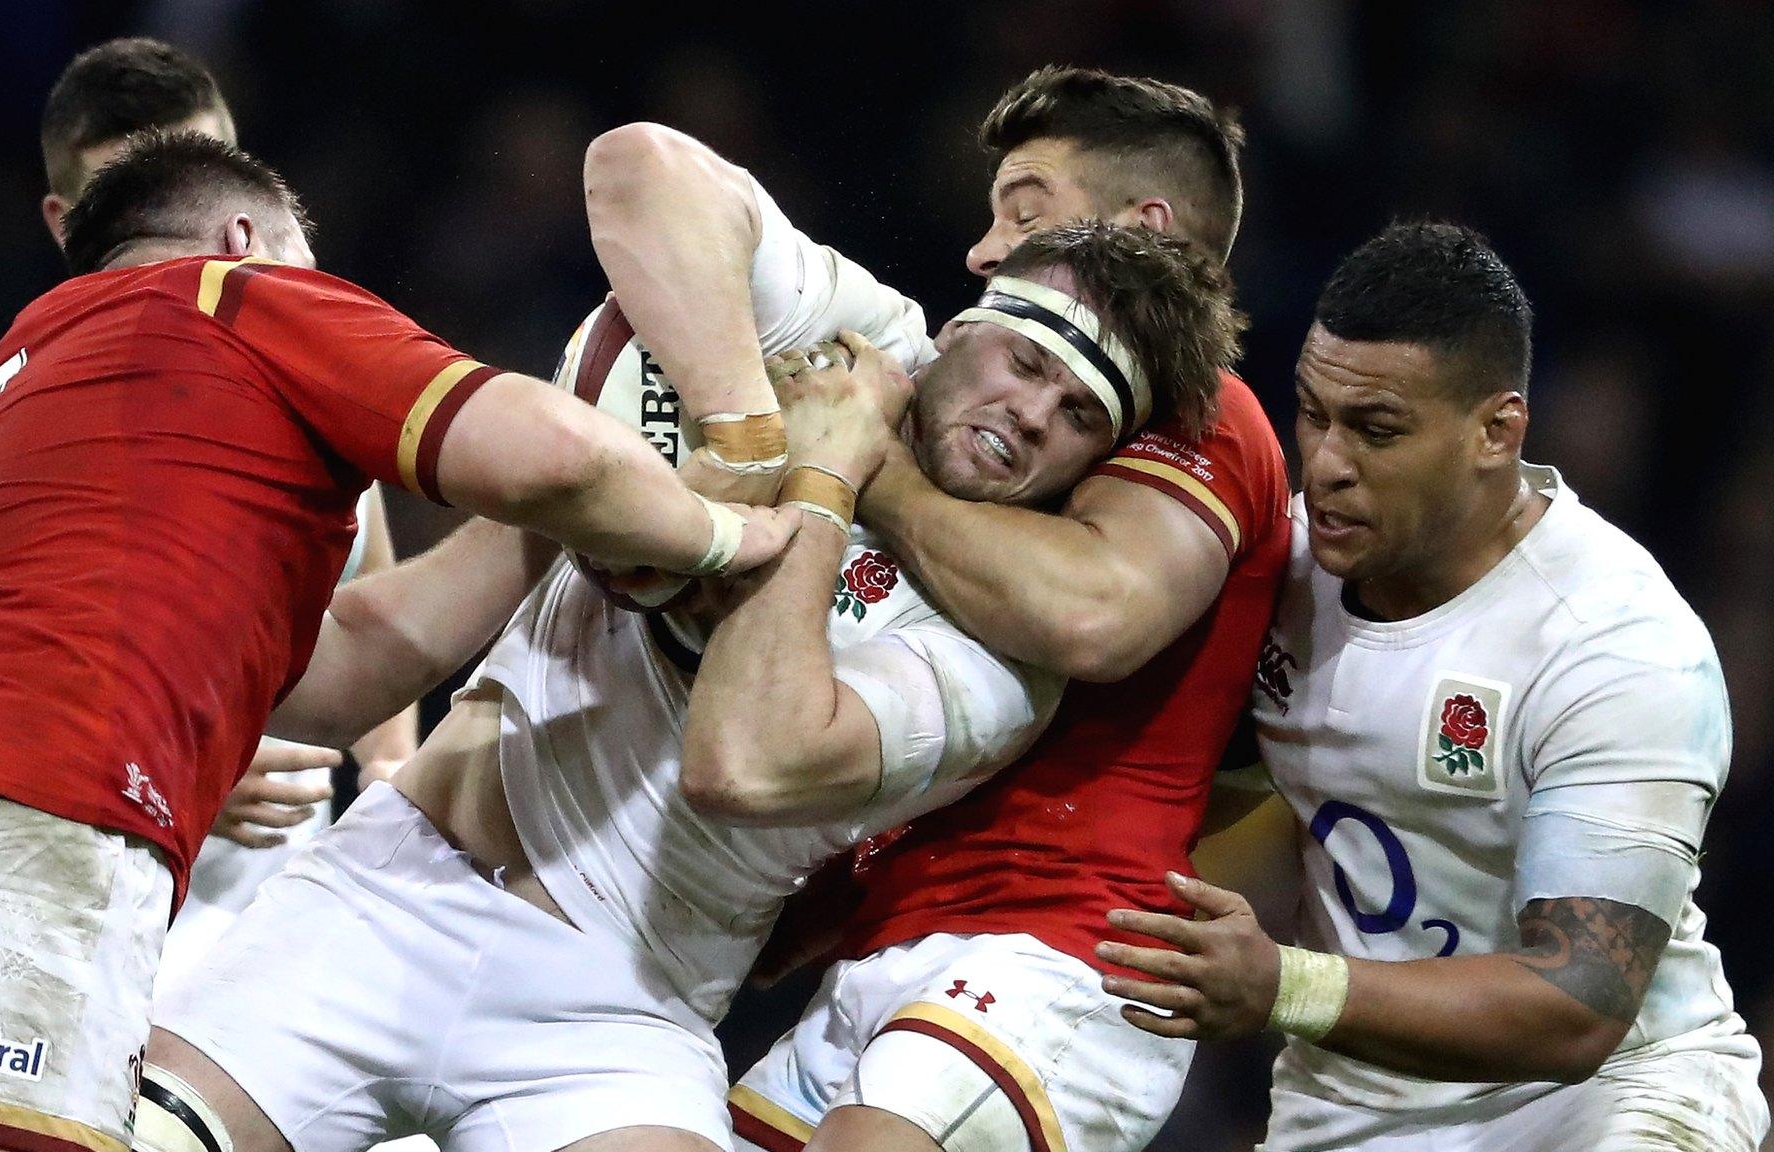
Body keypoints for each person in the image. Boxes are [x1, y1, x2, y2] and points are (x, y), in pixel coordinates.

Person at [130, 156, 1242, 1152]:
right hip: (385, 894)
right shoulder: (869, 338)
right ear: (955, 335)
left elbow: (743, 764)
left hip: (618, 1011)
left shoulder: (1008, 670)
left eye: (1080, 414)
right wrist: (743, 438)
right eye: (1021, 360)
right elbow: (636, 170)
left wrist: (818, 481)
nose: (1031, 411)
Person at [0, 131, 792, 1152]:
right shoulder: (233, 295)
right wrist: (726, 529)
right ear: (247, 238)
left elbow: (331, 679)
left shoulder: (28, 368)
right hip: (18, 818)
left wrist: (555, 530)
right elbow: (555, 456)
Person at [1100, 222, 1769, 1152]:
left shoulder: (1616, 647)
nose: (1327, 462)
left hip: (1607, 1096)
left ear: (1497, 431)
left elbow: (1578, 1006)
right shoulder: (1276, 574)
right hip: (1353, 1100)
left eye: (1377, 430)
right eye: (1312, 414)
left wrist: (1282, 985)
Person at [724, 67, 1291, 1152]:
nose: (985, 250)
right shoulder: (974, 412)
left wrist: (861, 466)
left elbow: (1093, 618)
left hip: (1060, 946)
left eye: (1024, 208)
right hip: (895, 942)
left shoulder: (1202, 416)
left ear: (1143, 227)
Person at [0, 36, 414, 992]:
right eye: (140, 198)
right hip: (78, 935)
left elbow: (372, 596)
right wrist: (172, 759)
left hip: (293, 945)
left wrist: (395, 798)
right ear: (65, 220)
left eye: (201, 181)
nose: (186, 232)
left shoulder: (323, 390)